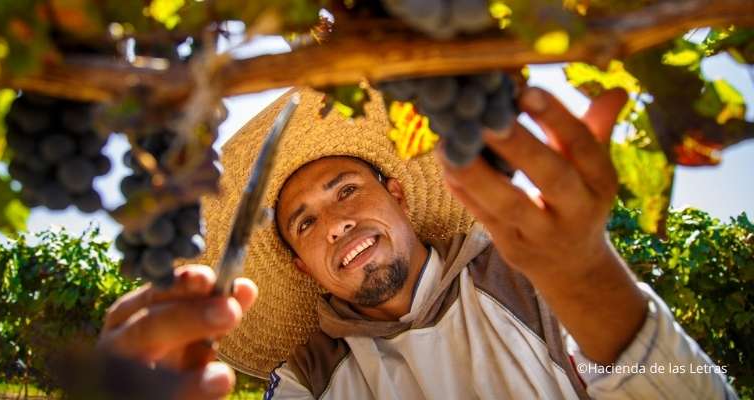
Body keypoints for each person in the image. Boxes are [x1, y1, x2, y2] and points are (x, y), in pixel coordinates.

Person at [98, 86, 737, 399]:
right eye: (305, 224)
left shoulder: (530, 277)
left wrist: (587, 273)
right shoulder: (306, 379)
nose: (336, 225)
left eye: (346, 190)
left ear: (399, 194)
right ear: (302, 265)